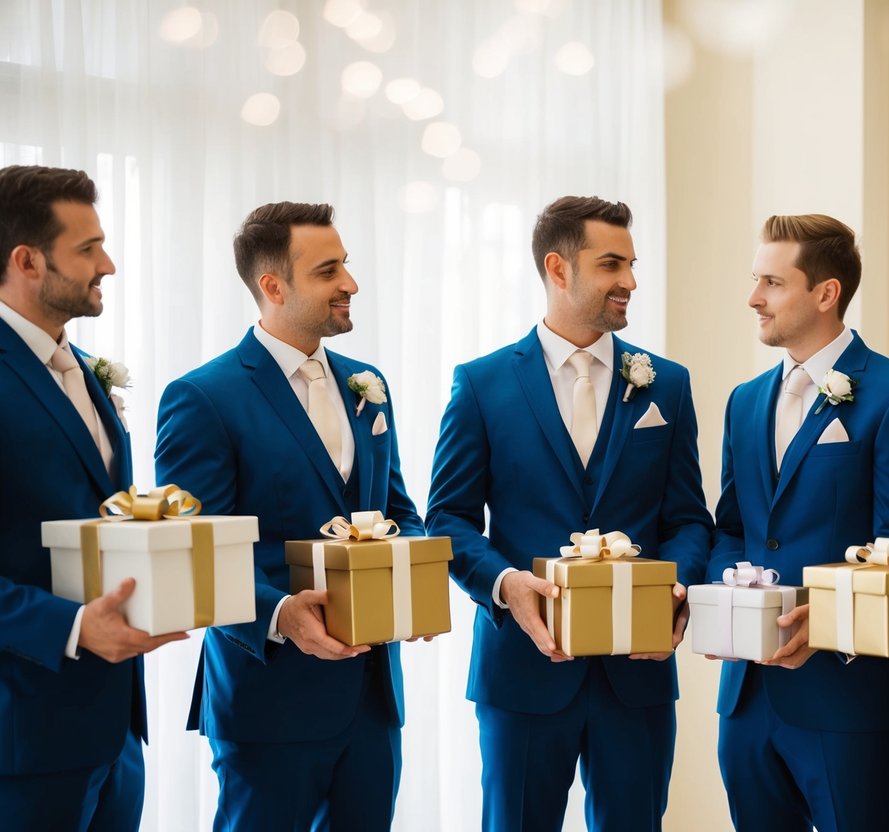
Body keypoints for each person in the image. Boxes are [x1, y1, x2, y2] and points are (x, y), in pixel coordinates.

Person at [426, 195, 712, 831]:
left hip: (636, 678)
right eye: (612, 264)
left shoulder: (666, 384)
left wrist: (677, 585)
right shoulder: (482, 384)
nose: (631, 282)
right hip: (523, 672)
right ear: (558, 269)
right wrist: (504, 586)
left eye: (632, 264)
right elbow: (446, 518)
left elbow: (690, 518)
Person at [155, 201, 424, 831]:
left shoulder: (369, 383)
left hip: (371, 698)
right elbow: (191, 550)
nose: (350, 285)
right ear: (273, 286)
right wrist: (278, 614)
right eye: (329, 271)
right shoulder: (203, 396)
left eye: (346, 266)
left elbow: (399, 510)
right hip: (266, 699)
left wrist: (410, 578)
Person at [709, 214, 889, 831]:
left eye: (773, 283)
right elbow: (731, 527)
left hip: (849, 696)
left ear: (826, 293)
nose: (753, 297)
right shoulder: (745, 399)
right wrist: (724, 600)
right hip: (747, 698)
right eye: (756, 280)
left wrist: (828, 621)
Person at [0, 164, 188, 829]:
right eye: (87, 249)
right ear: (26, 260)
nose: (107, 264)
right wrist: (74, 627)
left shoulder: (82, 369)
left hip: (114, 732)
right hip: (19, 737)